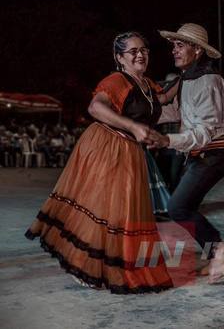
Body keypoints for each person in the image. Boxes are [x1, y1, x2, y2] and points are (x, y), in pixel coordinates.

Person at [24, 32, 178, 293]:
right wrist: (132, 126)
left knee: (123, 211)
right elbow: (95, 108)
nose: (140, 54)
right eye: (133, 52)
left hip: (130, 150)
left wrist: (190, 74)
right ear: (120, 57)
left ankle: (114, 264)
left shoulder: (148, 85)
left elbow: (164, 98)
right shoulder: (117, 80)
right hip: (107, 145)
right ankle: (84, 265)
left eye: (144, 50)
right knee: (102, 207)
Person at [150, 23, 224, 283]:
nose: (174, 50)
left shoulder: (209, 82)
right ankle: (216, 254)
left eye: (180, 45)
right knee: (185, 206)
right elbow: (178, 112)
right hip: (201, 153)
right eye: (173, 45)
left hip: (215, 153)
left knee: (177, 207)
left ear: (197, 50)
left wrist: (167, 139)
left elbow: (204, 132)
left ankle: (221, 249)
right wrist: (142, 117)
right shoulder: (188, 79)